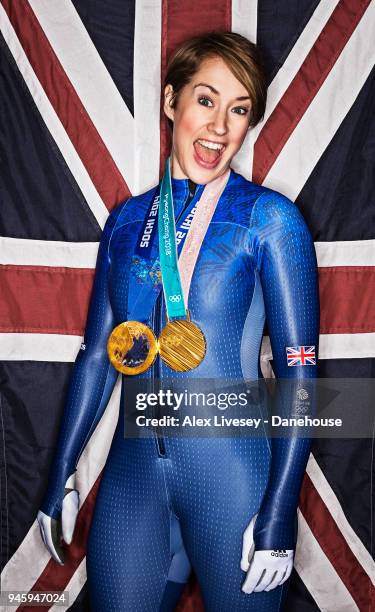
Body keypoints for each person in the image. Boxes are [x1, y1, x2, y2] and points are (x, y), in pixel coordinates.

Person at [37, 31, 319, 611]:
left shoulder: (270, 220)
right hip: (133, 478)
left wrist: (279, 507)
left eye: (239, 110)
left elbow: (299, 374)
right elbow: (98, 355)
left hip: (232, 480)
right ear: (171, 102)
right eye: (206, 100)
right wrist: (60, 471)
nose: (220, 126)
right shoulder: (126, 222)